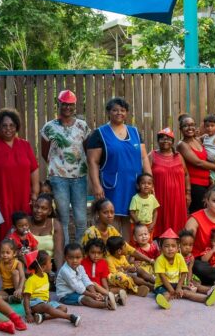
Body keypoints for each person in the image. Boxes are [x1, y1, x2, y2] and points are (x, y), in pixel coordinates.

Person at [0, 108, 40, 250]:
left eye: (12, 125)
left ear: (16, 126)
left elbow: (34, 168)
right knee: (1, 229)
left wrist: (35, 190)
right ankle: (4, 262)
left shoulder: (25, 145)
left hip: (23, 196)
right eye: (4, 125)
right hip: (0, 196)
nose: (8, 129)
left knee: (23, 230)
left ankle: (24, 262)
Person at [86, 97, 150, 233]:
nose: (119, 113)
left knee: (130, 217)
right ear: (108, 112)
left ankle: (125, 253)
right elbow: (93, 162)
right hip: (112, 184)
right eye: (115, 110)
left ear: (127, 113)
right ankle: (111, 250)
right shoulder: (100, 134)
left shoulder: (135, 133)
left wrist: (150, 181)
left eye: (122, 110)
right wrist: (96, 186)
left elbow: (144, 157)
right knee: (111, 217)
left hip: (133, 183)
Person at [40, 89, 90, 245]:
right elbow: (44, 152)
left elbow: (87, 150)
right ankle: (66, 252)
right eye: (64, 104)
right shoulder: (49, 127)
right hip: (58, 178)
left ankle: (79, 252)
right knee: (63, 218)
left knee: (81, 218)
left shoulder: (82, 126)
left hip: (79, 178)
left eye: (70, 105)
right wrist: (58, 167)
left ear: (74, 106)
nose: (67, 108)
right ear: (58, 104)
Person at [153, 229, 215, 309]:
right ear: (161, 248)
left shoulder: (179, 257)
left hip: (176, 283)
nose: (170, 249)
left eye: (173, 246)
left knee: (187, 293)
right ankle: (163, 302)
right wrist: (171, 290)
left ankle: (206, 299)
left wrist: (179, 287)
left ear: (177, 247)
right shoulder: (160, 260)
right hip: (162, 285)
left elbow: (184, 273)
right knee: (167, 294)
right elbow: (162, 278)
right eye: (166, 246)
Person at [176, 114, 215, 213]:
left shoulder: (199, 140)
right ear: (180, 129)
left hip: (207, 182)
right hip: (194, 185)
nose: (190, 128)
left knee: (209, 212)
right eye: (186, 125)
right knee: (198, 213)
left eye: (192, 125)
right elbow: (198, 163)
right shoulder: (182, 145)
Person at [23, 250, 80, 326]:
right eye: (50, 262)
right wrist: (28, 313)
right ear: (43, 267)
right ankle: (69, 317)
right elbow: (26, 298)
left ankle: (43, 317)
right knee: (47, 307)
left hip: (45, 303)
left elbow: (46, 290)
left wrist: (49, 300)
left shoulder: (46, 276)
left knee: (63, 309)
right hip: (34, 304)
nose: (51, 264)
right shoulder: (31, 280)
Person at [149, 127, 188, 238]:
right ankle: (160, 246)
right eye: (162, 138)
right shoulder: (152, 155)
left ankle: (177, 245)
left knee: (177, 222)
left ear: (172, 141)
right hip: (159, 196)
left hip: (178, 197)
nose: (165, 140)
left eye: (168, 138)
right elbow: (144, 175)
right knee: (160, 219)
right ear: (158, 141)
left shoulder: (179, 156)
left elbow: (186, 174)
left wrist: (188, 193)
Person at [56, 243, 114, 310]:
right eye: (71, 258)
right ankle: (106, 304)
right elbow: (77, 287)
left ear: (82, 257)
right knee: (86, 299)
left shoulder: (80, 267)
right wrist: (92, 295)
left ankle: (113, 299)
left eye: (78, 258)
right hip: (66, 295)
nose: (74, 261)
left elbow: (86, 280)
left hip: (77, 291)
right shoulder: (65, 271)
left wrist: (94, 293)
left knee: (93, 289)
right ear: (65, 258)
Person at [29, 194, 64, 269]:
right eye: (36, 207)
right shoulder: (24, 223)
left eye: (43, 208)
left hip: (49, 266)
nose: (38, 210)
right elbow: (7, 244)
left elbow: (59, 251)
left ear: (49, 211)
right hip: (28, 265)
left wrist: (59, 271)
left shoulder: (55, 224)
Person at [0, 238, 24, 304]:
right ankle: (10, 298)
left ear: (14, 253)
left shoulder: (18, 263)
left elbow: (22, 277)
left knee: (15, 272)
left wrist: (19, 289)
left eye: (8, 253)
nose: (5, 255)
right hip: (6, 290)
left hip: (17, 288)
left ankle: (18, 296)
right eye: (2, 252)